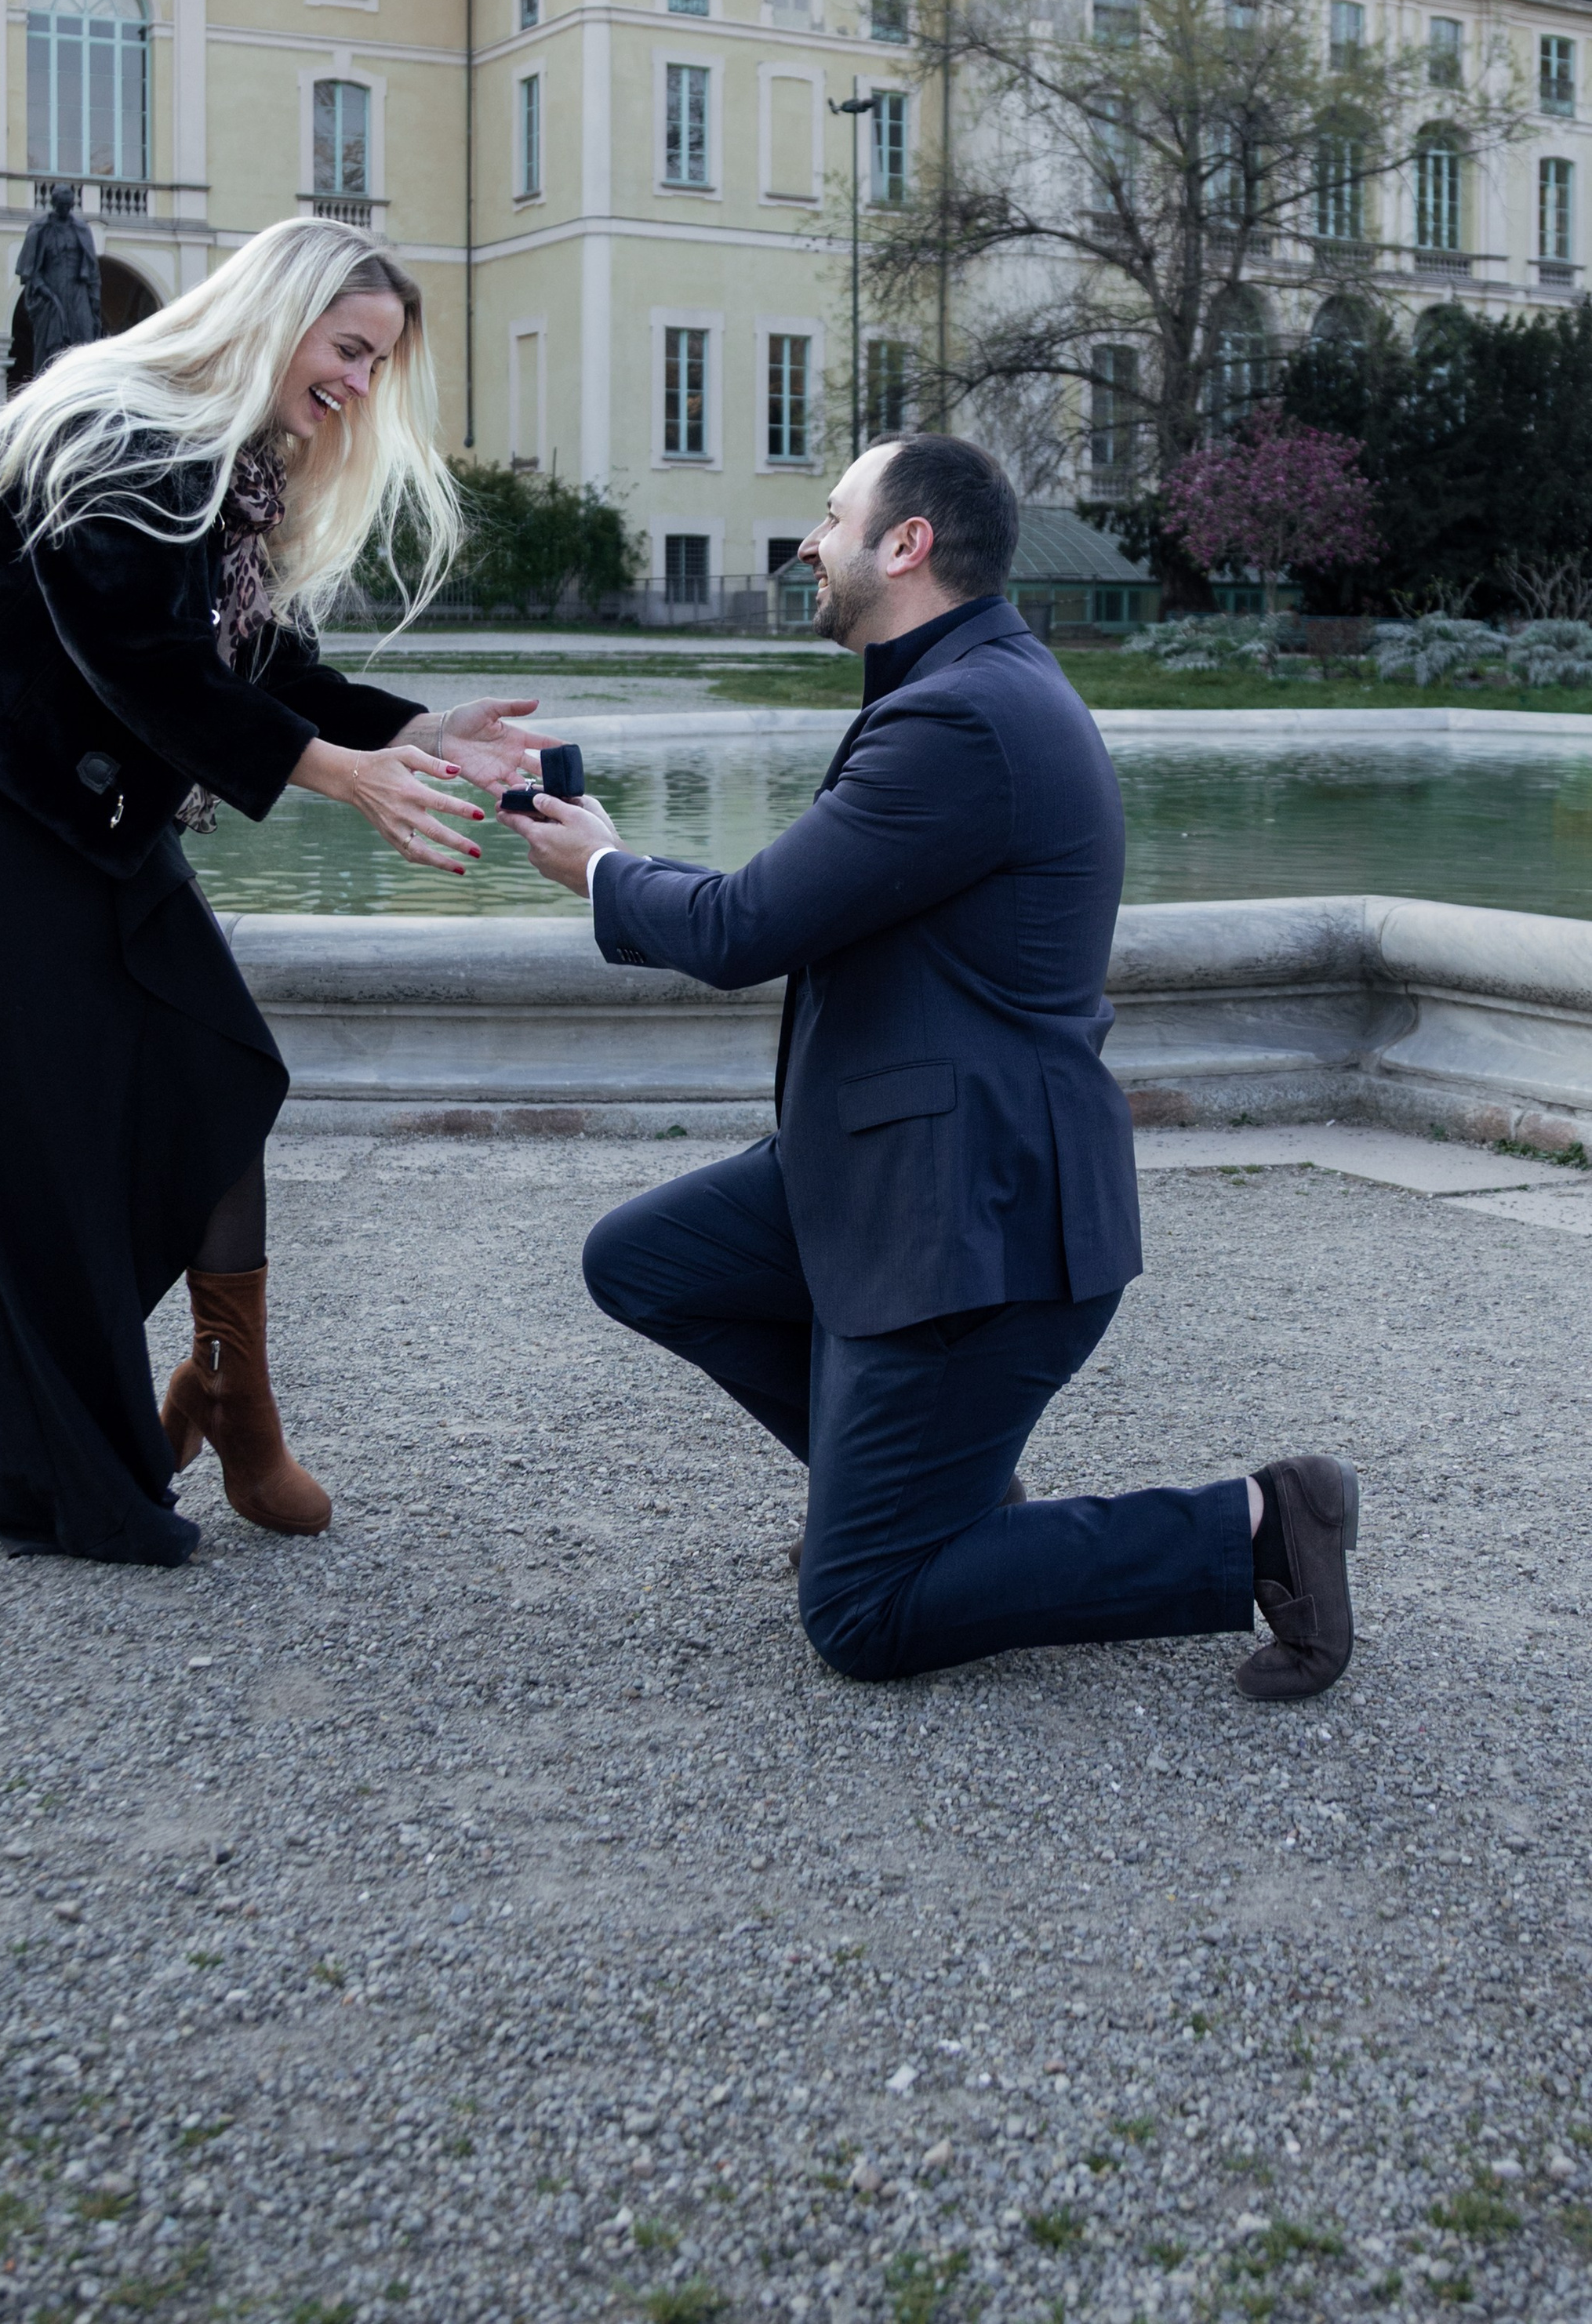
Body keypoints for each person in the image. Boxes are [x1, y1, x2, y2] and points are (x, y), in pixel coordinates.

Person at [502, 435, 1358, 1704]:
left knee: (862, 1614)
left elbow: (745, 927)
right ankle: (927, 1490)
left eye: (832, 515)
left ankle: (1258, 1529)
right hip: (887, 1173)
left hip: (978, 1224)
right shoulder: (962, 689)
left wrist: (605, 870)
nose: (807, 541)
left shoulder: (965, 718)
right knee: (644, 1261)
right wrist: (619, 864)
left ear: (906, 546)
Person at [0, 220, 536, 1567]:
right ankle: (75, 1484)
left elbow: (254, 667)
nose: (356, 383)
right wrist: (344, 777)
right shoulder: (120, 426)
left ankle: (230, 1398)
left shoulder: (225, 462)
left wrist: (415, 731)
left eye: (375, 363)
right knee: (30, 1153)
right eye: (348, 349)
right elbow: (137, 658)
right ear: (276, 314)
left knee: (221, 1068)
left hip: (74, 809)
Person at [14, 182, 104, 375]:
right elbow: (29, 271)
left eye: (68, 206)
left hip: (78, 293)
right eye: (61, 206)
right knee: (51, 350)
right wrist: (44, 290)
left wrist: (94, 299)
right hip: (51, 293)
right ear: (54, 204)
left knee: (84, 342)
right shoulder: (40, 229)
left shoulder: (81, 229)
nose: (65, 210)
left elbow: (92, 269)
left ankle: (82, 389)